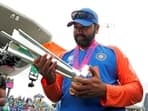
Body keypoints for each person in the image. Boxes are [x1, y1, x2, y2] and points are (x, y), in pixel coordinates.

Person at [34, 8, 143, 111]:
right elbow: (55, 97)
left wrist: (104, 91)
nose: (79, 31)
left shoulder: (113, 53)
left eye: (84, 27)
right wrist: (49, 80)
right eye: (76, 27)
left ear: (97, 28)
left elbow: (137, 92)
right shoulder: (63, 56)